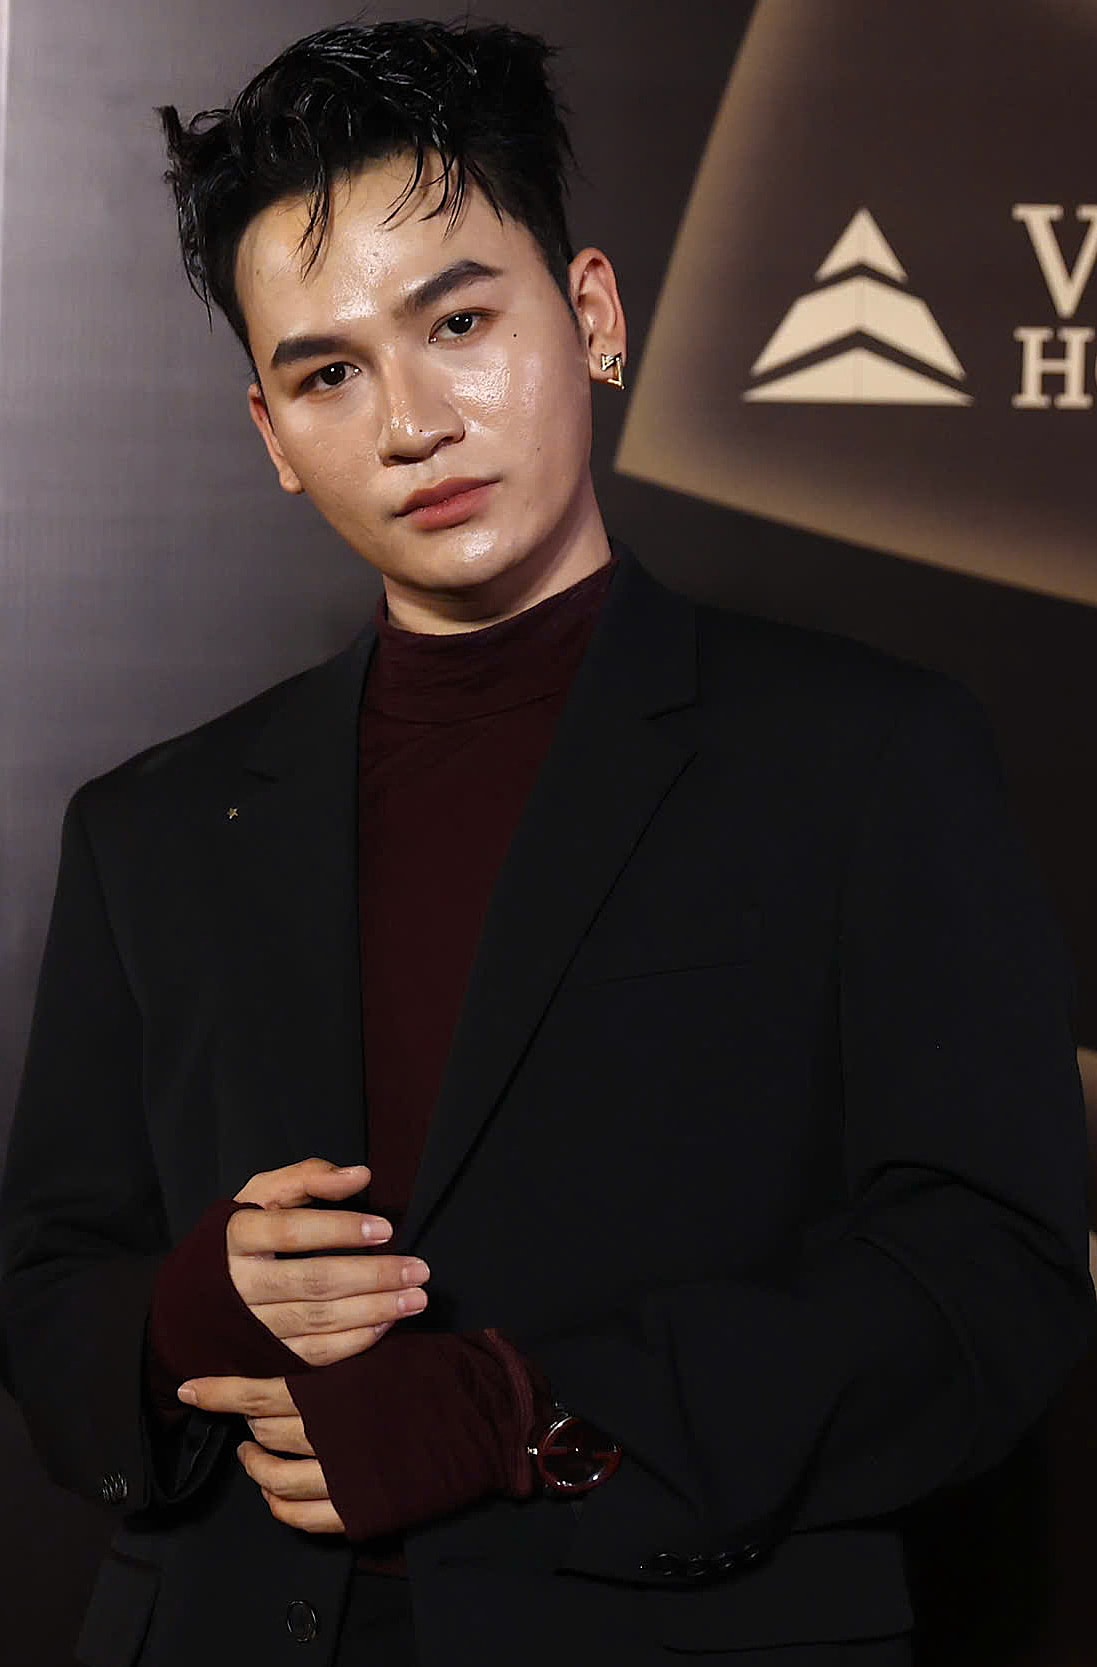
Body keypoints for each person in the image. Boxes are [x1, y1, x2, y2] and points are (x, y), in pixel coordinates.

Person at [0, 18, 1093, 1667]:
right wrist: (190, 1307)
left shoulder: (865, 755)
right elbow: (43, 1292)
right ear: (271, 435)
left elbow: (990, 1278)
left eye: (458, 323)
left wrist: (522, 1416)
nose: (412, 420)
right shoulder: (151, 824)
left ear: (590, 315)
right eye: (329, 372)